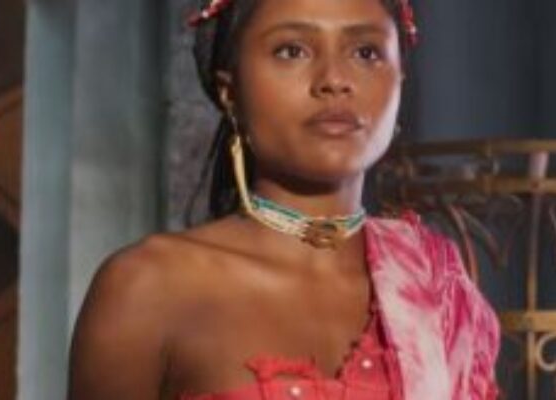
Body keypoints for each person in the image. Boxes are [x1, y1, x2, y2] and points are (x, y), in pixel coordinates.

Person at [67, 0, 500, 398]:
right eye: (292, 51)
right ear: (230, 91)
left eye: (366, 53)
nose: (334, 80)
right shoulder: (149, 286)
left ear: (399, 80)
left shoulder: (436, 283)